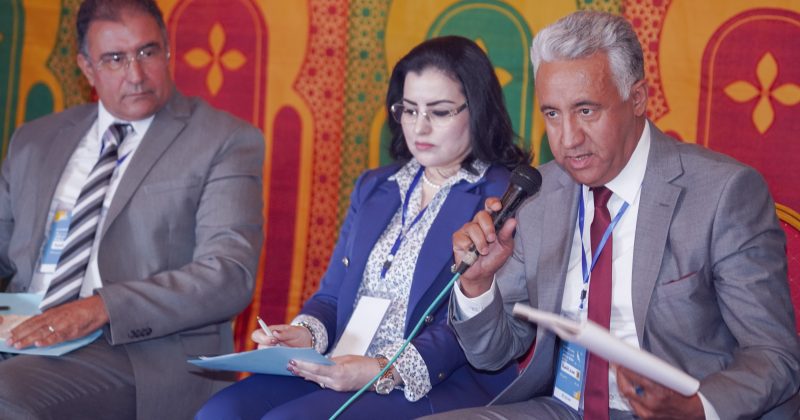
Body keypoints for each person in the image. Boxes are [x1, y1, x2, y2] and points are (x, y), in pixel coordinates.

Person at [430, 11, 800, 420]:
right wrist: (478, 285)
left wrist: (697, 407)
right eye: (552, 114)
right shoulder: (539, 195)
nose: (568, 138)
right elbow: (492, 353)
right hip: (565, 409)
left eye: (586, 111)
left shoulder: (722, 194)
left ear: (637, 99)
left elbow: (774, 354)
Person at [196, 35, 527, 419]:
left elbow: (476, 326)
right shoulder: (375, 186)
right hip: (346, 361)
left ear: (478, 110)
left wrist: (382, 368)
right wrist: (304, 334)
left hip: (433, 379)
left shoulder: (501, 197)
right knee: (221, 411)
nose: (419, 127)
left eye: (439, 112)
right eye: (409, 109)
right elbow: (332, 296)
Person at [0, 0, 263, 418]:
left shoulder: (222, 140)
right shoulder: (35, 140)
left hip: (139, 352)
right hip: (20, 330)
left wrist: (100, 308)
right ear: (87, 68)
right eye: (115, 59)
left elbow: (229, 276)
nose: (136, 74)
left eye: (147, 52)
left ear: (168, 50)